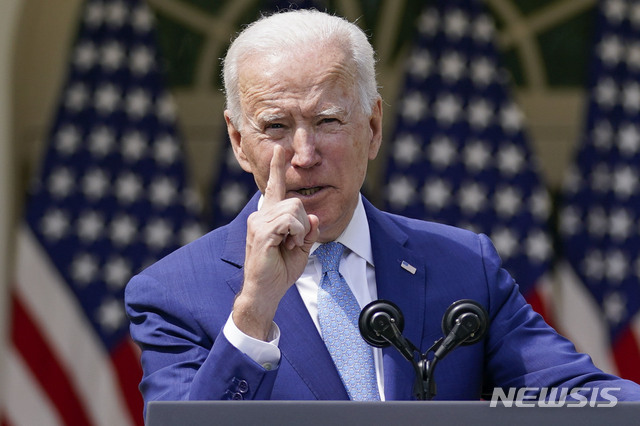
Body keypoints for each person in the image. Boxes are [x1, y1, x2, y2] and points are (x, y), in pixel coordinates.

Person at [125, 9, 640, 411]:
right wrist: (254, 311)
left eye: (328, 121)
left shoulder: (463, 266)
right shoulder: (173, 293)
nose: (304, 156)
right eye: (277, 127)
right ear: (239, 142)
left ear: (372, 128)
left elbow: (575, 392)